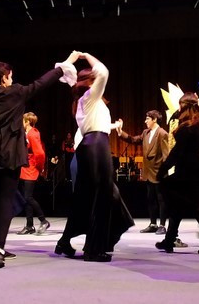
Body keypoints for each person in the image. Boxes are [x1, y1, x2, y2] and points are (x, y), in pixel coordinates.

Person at [0, 53, 79, 268]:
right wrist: (63, 67)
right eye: (10, 76)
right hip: (11, 153)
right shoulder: (15, 93)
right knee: (5, 202)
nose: (11, 80)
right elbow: (41, 84)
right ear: (4, 78)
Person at [54, 52, 134, 262]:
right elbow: (104, 71)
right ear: (90, 81)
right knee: (102, 196)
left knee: (88, 196)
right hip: (96, 145)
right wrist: (86, 56)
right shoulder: (90, 96)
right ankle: (93, 249)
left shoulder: (83, 99)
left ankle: (65, 241)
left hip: (91, 145)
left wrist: (72, 60)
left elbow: (65, 73)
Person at [154, 93, 199, 253]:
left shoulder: (187, 128)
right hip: (193, 170)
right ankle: (169, 240)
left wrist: (163, 169)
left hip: (185, 171)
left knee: (192, 207)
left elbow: (177, 152)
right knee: (178, 207)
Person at [117, 110, 170, 235]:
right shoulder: (146, 132)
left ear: (154, 119)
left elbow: (166, 155)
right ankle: (153, 224)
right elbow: (133, 140)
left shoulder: (162, 133)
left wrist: (164, 172)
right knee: (150, 199)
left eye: (148, 119)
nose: (145, 121)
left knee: (161, 199)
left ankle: (162, 225)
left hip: (158, 172)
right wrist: (120, 132)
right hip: (148, 172)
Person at [17, 112, 51, 235]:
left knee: (28, 197)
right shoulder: (26, 133)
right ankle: (29, 225)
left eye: (23, 121)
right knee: (26, 198)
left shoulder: (33, 134)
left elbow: (40, 153)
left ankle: (43, 220)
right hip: (25, 169)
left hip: (31, 169)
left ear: (27, 122)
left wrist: (40, 168)